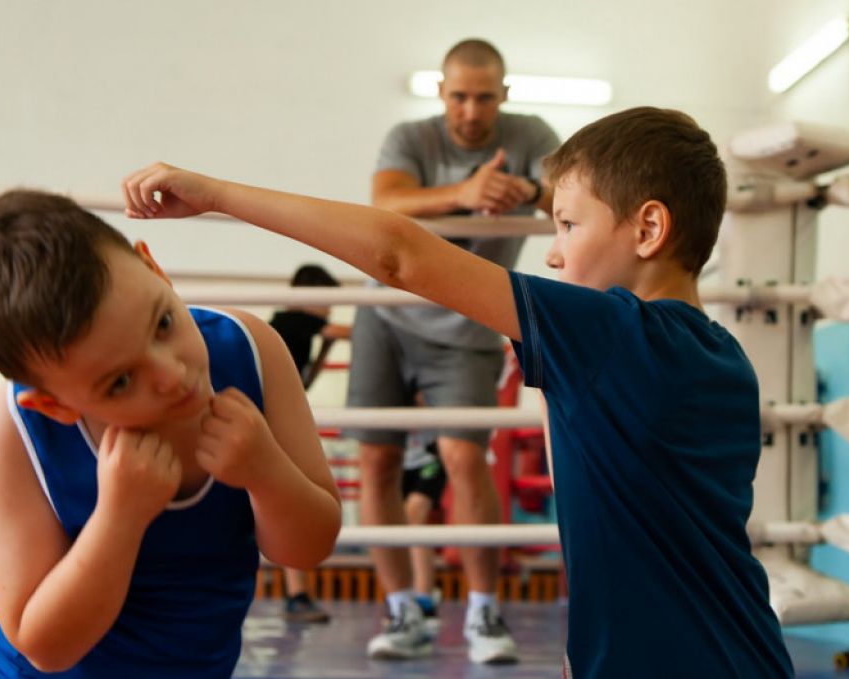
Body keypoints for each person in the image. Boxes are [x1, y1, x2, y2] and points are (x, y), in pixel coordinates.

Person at [120, 105, 795, 678]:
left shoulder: (612, 334)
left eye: (568, 224)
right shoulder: (725, 360)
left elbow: (400, 255)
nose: (553, 253)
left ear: (648, 229)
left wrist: (216, 195)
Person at [0, 190, 341, 678]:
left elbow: (308, 549)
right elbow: (45, 647)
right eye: (121, 381)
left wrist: (267, 472)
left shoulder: (250, 351)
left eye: (163, 323)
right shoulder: (14, 431)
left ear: (155, 270)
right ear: (56, 405)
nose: (172, 375)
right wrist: (119, 518)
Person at [346, 37, 559, 664]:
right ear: (441, 92)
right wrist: (466, 192)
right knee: (377, 461)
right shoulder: (411, 137)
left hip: (467, 326)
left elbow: (571, 193)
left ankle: (483, 612)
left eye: (484, 97)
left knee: (465, 458)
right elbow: (386, 201)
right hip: (386, 316)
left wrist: (523, 189)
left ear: (504, 94)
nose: (471, 110)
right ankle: (402, 611)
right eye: (459, 96)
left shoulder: (530, 136)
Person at [268, 263, 351, 624]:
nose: (329, 308)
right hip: (271, 422)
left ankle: (297, 593)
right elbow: (349, 332)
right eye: (326, 299)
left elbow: (304, 384)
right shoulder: (292, 319)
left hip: (276, 419)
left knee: (290, 502)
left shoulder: (296, 327)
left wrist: (324, 351)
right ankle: (296, 594)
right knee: (289, 503)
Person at [400, 432, 447, 634]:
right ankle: (402, 598)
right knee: (398, 524)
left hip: (430, 455)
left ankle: (423, 598)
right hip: (397, 456)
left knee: (414, 515)